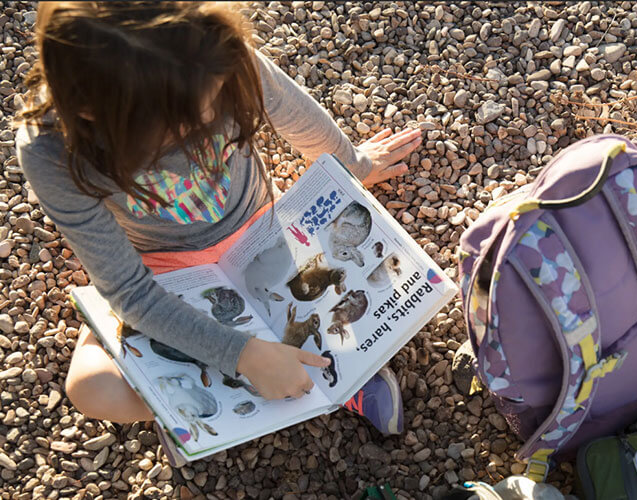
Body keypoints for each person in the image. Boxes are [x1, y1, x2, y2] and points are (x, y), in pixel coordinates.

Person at [16, 2, 421, 464]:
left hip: (261, 231)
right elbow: (129, 290)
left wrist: (354, 166)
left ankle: (337, 373)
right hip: (160, 271)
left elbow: (295, 115)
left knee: (342, 298)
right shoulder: (50, 146)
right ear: (91, 114)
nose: (209, 124)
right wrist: (239, 354)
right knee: (91, 388)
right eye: (182, 130)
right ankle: (188, 404)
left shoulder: (211, 52)